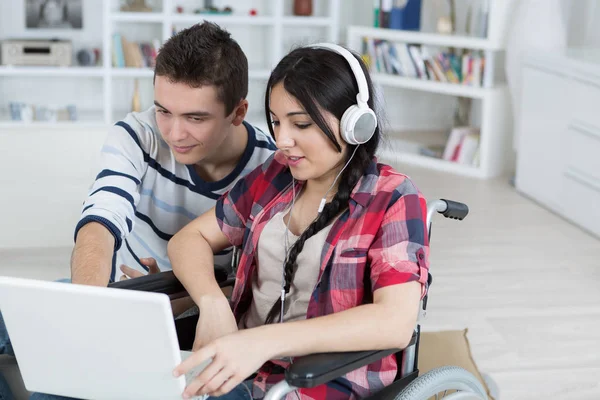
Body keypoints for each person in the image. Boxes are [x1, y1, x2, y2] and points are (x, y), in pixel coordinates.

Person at [0, 22, 275, 400]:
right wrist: (89, 311)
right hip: (118, 298)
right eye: (163, 110)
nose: (173, 133)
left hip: (197, 316)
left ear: (238, 111)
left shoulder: (272, 168)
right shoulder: (138, 134)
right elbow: (99, 224)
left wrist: (177, 296)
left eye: (195, 118)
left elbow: (252, 285)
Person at [167, 43, 430, 400]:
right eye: (276, 121)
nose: (282, 140)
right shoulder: (276, 175)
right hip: (237, 368)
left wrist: (262, 343)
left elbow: (395, 322)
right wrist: (213, 303)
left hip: (317, 383)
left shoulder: (394, 197)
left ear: (355, 123)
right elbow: (189, 239)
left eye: (301, 123)